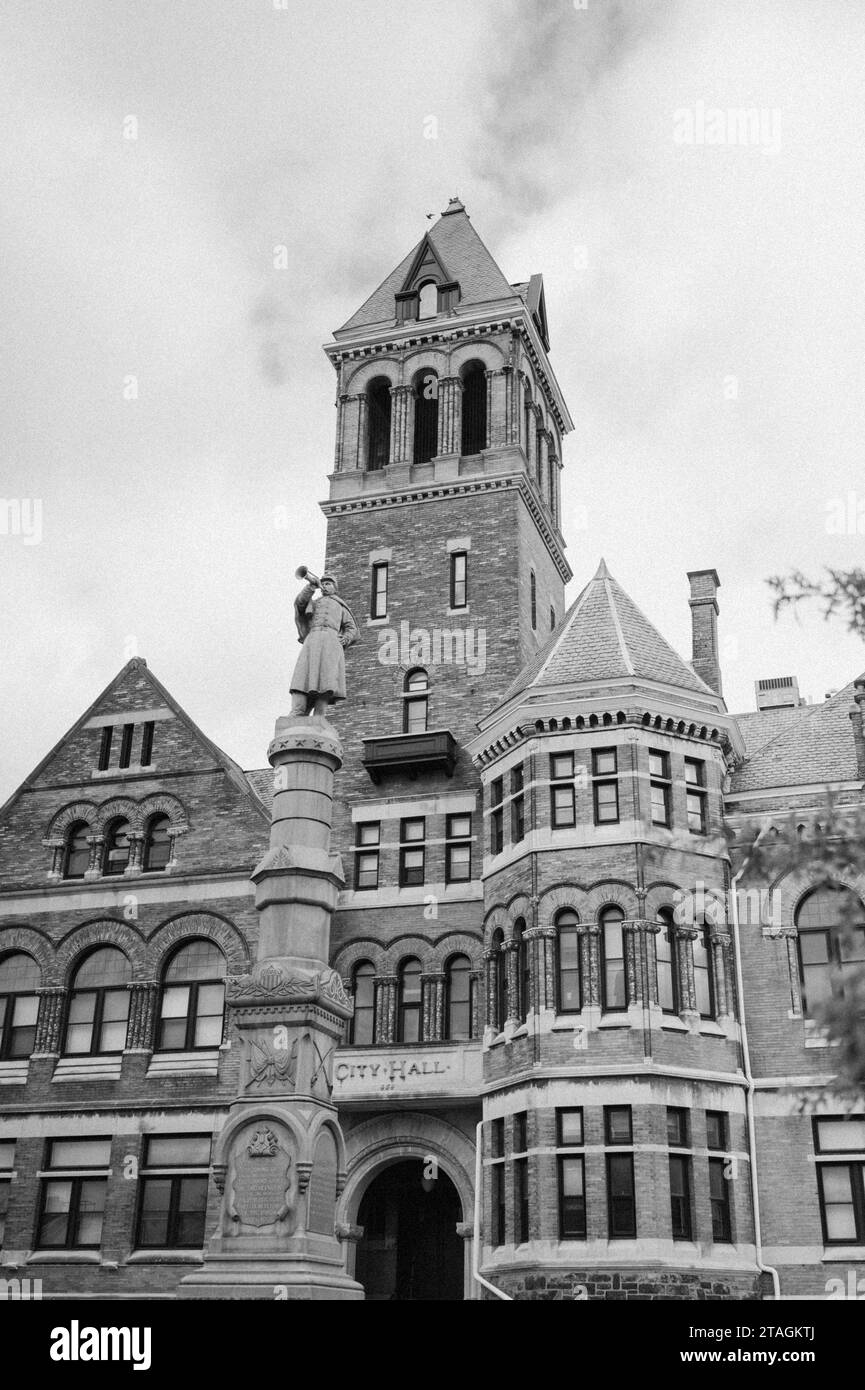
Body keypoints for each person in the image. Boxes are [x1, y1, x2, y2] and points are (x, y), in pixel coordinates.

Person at [290, 573, 358, 716]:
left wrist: (344, 639)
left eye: (329, 583)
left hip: (331, 641)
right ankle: (298, 710)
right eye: (324, 583)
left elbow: (352, 628)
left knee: (327, 678)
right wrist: (310, 587)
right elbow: (300, 604)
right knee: (303, 674)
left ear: (335, 587)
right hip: (313, 639)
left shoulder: (340, 606)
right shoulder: (314, 602)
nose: (325, 586)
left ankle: (319, 715)